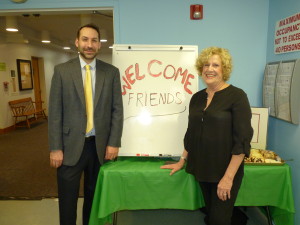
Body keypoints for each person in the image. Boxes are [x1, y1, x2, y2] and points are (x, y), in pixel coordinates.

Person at [161, 46, 253, 225]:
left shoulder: (237, 96)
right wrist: (182, 160)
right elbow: (192, 133)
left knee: (219, 219)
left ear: (224, 69)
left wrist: (227, 178)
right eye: (206, 65)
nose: (210, 69)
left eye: (216, 65)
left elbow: (242, 140)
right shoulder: (196, 98)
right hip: (202, 169)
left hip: (225, 171)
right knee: (211, 214)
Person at [48, 23, 123, 225]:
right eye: (85, 39)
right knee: (67, 202)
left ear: (99, 45)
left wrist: (114, 143)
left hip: (99, 148)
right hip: (69, 147)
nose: (89, 44)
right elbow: (55, 113)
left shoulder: (111, 72)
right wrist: (55, 148)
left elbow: (117, 110)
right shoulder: (62, 71)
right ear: (77, 42)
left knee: (94, 200)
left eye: (94, 40)